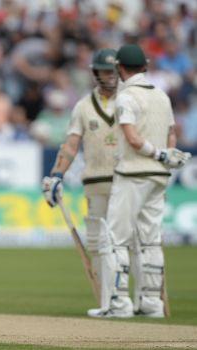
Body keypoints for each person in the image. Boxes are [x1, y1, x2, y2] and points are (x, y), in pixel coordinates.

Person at [87, 44, 190, 318]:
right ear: (144, 65)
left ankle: (119, 304)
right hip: (159, 175)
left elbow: (132, 138)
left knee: (116, 239)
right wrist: (164, 156)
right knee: (151, 240)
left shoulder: (126, 97)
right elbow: (171, 134)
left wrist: (155, 153)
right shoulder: (161, 96)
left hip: (133, 173)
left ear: (120, 68)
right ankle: (151, 303)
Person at [42, 48, 118, 311]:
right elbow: (71, 145)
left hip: (127, 179)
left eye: (109, 71)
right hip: (95, 179)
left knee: (125, 239)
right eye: (100, 71)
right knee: (98, 241)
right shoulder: (84, 106)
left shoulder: (132, 101)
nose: (104, 76)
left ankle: (134, 300)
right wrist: (57, 175)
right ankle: (110, 301)